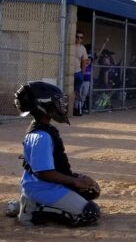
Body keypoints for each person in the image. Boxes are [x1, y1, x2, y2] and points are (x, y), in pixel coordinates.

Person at [6, 81, 101, 226]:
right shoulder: (41, 137)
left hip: (39, 185)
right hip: (42, 188)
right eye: (56, 101)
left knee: (90, 190)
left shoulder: (41, 128)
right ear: (43, 106)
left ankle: (26, 203)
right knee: (89, 213)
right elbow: (45, 173)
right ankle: (32, 210)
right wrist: (74, 181)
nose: (61, 105)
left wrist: (74, 177)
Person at [70, 32, 89, 117]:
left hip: (78, 72)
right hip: (69, 72)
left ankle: (76, 109)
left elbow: (84, 61)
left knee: (77, 92)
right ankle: (68, 109)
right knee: (68, 91)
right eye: (77, 37)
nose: (79, 39)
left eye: (81, 37)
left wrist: (82, 73)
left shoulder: (82, 48)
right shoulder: (70, 45)